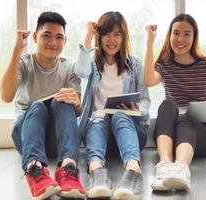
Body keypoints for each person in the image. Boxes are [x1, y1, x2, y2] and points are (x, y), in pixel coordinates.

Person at [144, 13, 206, 191]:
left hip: (204, 136)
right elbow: (149, 81)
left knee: (186, 116)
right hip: (173, 139)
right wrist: (150, 40)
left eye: (187, 34)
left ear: (194, 37)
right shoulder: (164, 65)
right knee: (167, 105)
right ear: (170, 35)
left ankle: (181, 169)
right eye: (176, 33)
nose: (180, 39)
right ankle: (165, 166)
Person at [0, 11, 86, 199]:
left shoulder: (71, 68)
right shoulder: (23, 63)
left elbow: (77, 111)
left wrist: (76, 102)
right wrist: (17, 49)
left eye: (59, 37)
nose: (53, 42)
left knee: (63, 102)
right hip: (26, 134)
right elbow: (6, 96)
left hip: (55, 139)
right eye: (46, 35)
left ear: (65, 41)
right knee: (37, 107)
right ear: (35, 37)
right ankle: (35, 169)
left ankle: (69, 168)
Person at [75, 11, 150, 199]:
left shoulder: (135, 64)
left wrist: (136, 110)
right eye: (107, 33)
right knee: (98, 116)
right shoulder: (92, 64)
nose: (111, 39)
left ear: (124, 37)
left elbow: (145, 99)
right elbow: (80, 71)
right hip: (99, 135)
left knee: (120, 115)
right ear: (99, 36)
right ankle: (96, 170)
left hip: (131, 132)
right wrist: (89, 34)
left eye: (117, 34)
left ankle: (134, 169)